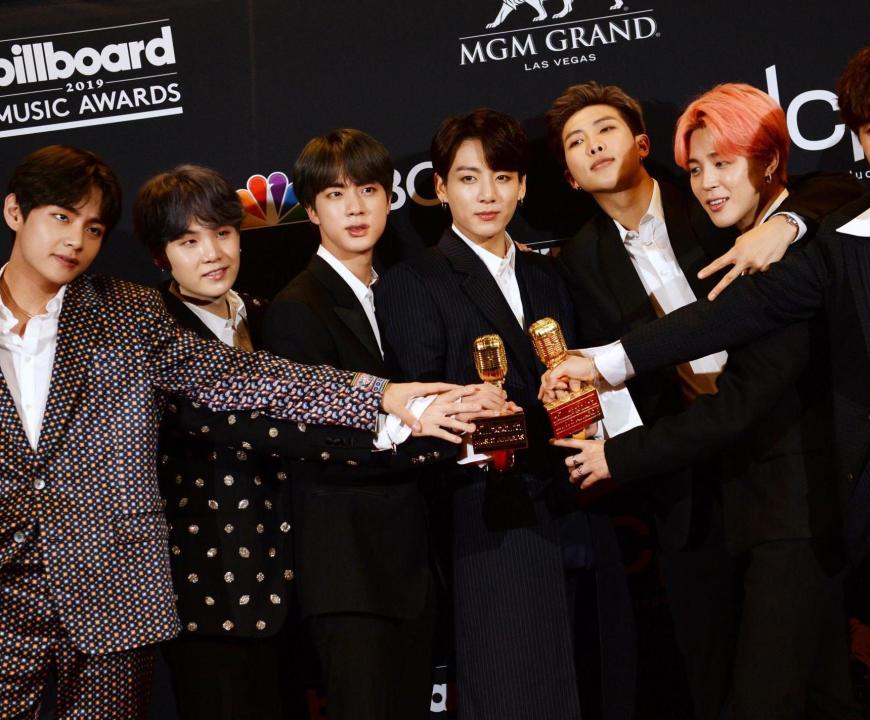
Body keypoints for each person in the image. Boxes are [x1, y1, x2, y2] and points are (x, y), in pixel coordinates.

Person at [543, 36, 870, 689]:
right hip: (750, 497)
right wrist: (602, 370)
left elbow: (824, 197)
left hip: (805, 487)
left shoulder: (829, 225)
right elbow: (724, 317)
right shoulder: (843, 228)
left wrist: (788, 222)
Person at [0, 144, 457, 718]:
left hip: (111, 598)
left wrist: (380, 393)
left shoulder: (126, 312)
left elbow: (242, 378)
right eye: (61, 218)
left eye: (92, 228)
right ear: (15, 212)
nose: (75, 240)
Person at [542, 81, 861, 718]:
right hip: (689, 488)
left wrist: (787, 223)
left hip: (782, 462)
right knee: (735, 681)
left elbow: (841, 192)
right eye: (575, 142)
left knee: (786, 684)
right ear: (569, 178)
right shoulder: (577, 261)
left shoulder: (717, 206)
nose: (592, 146)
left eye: (604, 130)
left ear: (640, 143)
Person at [376, 109, 636, 720]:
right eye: (468, 178)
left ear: (523, 185)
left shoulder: (551, 275)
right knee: (518, 694)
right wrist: (477, 415)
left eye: (502, 176)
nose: (487, 194)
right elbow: (421, 417)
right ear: (439, 189)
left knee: (595, 688)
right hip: (488, 519)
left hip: (581, 505)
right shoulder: (414, 282)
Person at [259, 129, 505, 720]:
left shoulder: (394, 290)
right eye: (337, 194)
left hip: (410, 562)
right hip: (349, 572)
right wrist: (432, 427)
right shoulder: (297, 306)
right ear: (312, 209)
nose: (356, 207)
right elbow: (317, 438)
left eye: (368, 190)